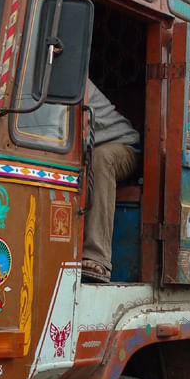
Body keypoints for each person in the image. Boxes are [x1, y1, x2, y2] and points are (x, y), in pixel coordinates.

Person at [83, 79, 141, 283]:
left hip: (125, 147)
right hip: (88, 151)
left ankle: (97, 257)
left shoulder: (71, 76)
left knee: (102, 158)